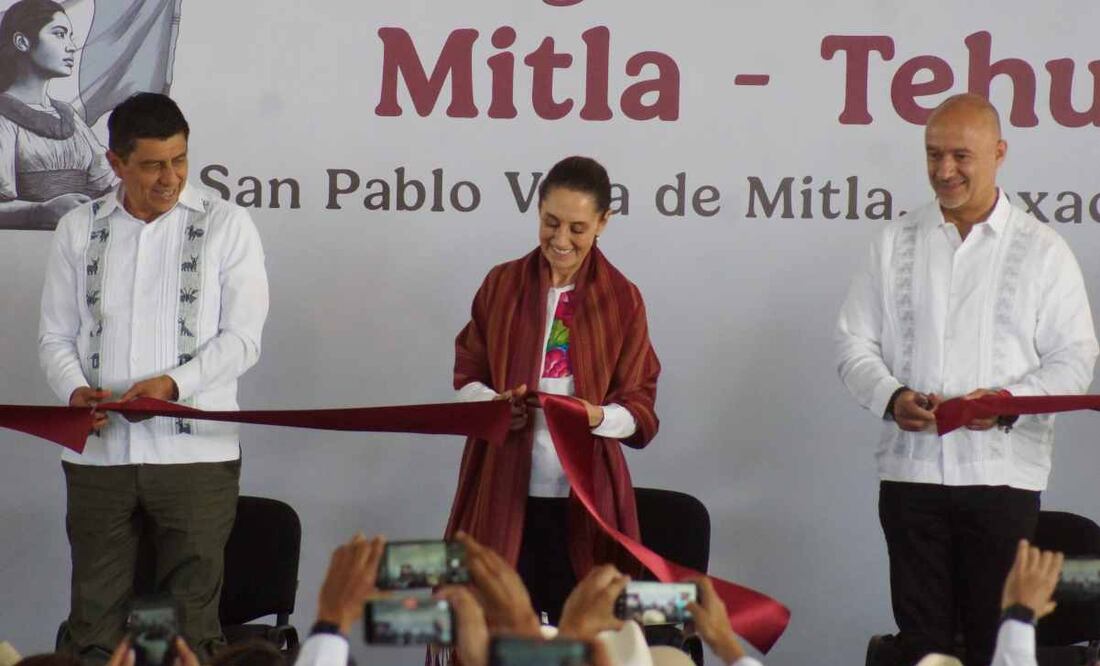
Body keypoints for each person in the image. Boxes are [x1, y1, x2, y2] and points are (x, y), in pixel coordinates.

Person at [835, 93, 1098, 666]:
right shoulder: (892, 242)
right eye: (933, 155)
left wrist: (1006, 403)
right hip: (911, 479)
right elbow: (853, 344)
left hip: (1002, 482)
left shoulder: (1043, 251)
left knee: (997, 642)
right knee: (923, 648)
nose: (943, 171)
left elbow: (1075, 358)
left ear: (999, 153)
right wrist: (892, 397)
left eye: (960, 155)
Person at [38, 92, 269, 663]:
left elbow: (243, 339)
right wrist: (73, 390)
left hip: (195, 457)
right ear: (115, 163)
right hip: (97, 455)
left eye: (180, 160)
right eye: (152, 164)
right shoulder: (77, 227)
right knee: (94, 625)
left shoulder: (227, 224)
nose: (170, 178)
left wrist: (173, 385)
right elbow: (55, 337)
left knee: (189, 628)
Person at [447, 155, 661, 624]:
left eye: (578, 228)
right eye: (551, 222)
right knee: (496, 631)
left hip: (584, 501)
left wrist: (596, 417)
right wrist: (493, 404)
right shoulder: (501, 284)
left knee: (584, 635)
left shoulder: (623, 299)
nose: (561, 240)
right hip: (502, 488)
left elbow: (640, 408)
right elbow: (467, 376)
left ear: (605, 222)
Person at [0, 0, 115, 230]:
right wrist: (40, 211)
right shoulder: (3, 117)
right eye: (60, 34)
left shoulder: (68, 116)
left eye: (70, 36)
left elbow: (106, 184)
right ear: (22, 42)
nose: (71, 46)